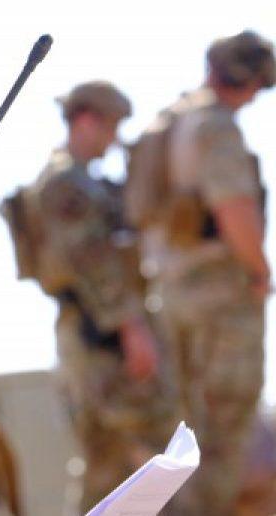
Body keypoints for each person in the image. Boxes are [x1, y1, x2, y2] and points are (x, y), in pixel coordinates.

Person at [3, 81, 178, 510]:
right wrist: (132, 328)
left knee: (107, 464)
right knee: (149, 452)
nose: (114, 139)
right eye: (111, 126)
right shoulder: (66, 183)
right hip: (100, 337)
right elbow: (93, 262)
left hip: (92, 332)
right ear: (85, 120)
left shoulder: (80, 180)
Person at [132, 30, 275, 514]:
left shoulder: (171, 123)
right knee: (223, 432)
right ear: (251, 79)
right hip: (220, 298)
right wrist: (259, 272)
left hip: (171, 294)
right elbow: (233, 207)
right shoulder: (216, 126)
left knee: (183, 431)